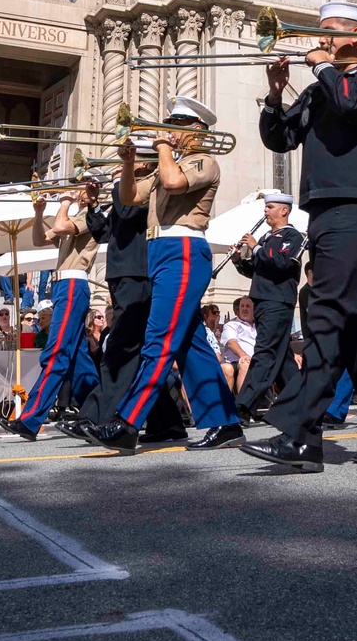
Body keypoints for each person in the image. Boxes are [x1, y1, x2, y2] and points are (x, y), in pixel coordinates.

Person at [242, 3, 357, 475]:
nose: (317, 40)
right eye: (317, 34)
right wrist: (274, 95)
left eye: (328, 33)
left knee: (325, 316)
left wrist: (322, 67)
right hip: (323, 211)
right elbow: (280, 138)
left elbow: (352, 103)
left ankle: (301, 435)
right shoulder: (322, 87)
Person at [89, 96, 244, 454]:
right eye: (168, 122)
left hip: (183, 250)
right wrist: (128, 164)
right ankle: (225, 424)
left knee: (157, 340)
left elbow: (174, 183)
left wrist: (160, 147)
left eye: (176, 123)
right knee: (190, 345)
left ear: (196, 130)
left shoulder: (203, 160)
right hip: (160, 253)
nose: (168, 129)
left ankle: (127, 422)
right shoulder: (166, 163)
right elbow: (128, 199)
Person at [69, 132, 186, 444]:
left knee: (122, 348)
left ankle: (95, 416)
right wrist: (94, 205)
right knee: (133, 350)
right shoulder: (127, 190)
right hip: (123, 275)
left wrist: (126, 173)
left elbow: (129, 212)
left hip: (139, 273)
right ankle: (167, 423)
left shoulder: (147, 189)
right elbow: (105, 231)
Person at [0, 182, 102, 441]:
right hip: (63, 286)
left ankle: (30, 419)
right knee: (79, 359)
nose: (74, 192)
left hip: (72, 284)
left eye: (79, 188)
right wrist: (38, 212)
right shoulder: (72, 220)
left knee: (55, 354)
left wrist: (64, 201)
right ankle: (104, 411)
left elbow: (58, 226)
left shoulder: (89, 216)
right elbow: (38, 239)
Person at [232, 193, 304, 423]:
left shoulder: (292, 236)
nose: (266, 211)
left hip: (278, 301)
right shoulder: (265, 238)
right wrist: (239, 260)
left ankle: (243, 405)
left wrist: (255, 248)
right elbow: (256, 270)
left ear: (284, 211)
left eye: (270, 207)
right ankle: (304, 404)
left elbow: (281, 263)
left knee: (264, 353)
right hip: (262, 301)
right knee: (283, 360)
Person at [220, 296, 257, 395]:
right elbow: (231, 343)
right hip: (238, 362)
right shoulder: (232, 325)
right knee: (245, 363)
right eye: (242, 306)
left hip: (259, 361)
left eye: (248, 306)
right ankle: (243, 405)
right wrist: (244, 355)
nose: (244, 309)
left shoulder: (259, 326)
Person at [201, 303, 236, 390]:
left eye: (218, 312)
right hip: (200, 362)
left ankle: (225, 402)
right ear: (206, 315)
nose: (217, 314)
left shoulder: (214, 330)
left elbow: (218, 356)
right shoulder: (204, 330)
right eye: (214, 312)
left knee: (228, 369)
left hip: (213, 362)